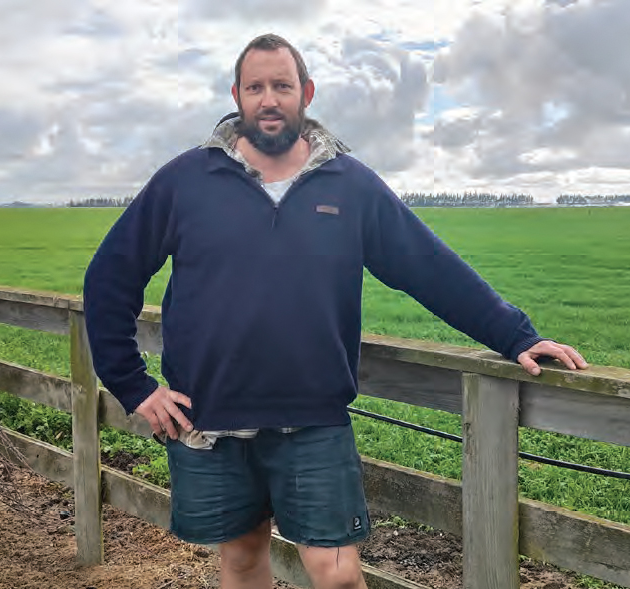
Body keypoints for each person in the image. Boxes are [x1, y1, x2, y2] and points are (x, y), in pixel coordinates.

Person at [83, 33, 587, 589]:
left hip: (313, 419)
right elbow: (110, 278)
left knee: (338, 573)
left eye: (282, 85)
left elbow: (428, 267)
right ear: (236, 95)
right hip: (210, 416)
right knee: (242, 558)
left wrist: (513, 334)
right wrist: (134, 386)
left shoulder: (350, 184)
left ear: (307, 93)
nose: (269, 98)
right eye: (256, 87)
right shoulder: (185, 181)